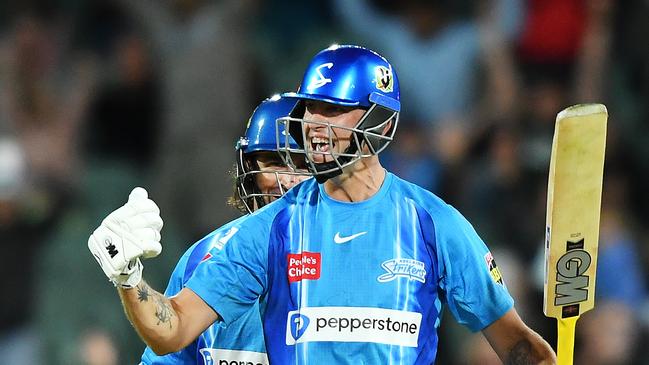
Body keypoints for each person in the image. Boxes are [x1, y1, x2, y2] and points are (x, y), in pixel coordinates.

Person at [88, 45, 556, 364]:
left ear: (378, 118)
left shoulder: (434, 224)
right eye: (312, 107)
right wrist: (130, 281)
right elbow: (173, 328)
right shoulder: (270, 231)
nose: (315, 122)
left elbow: (514, 344)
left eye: (333, 109)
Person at [138, 95, 310, 364]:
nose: (287, 181)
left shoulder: (354, 257)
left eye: (303, 165)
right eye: (275, 163)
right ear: (249, 168)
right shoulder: (201, 258)